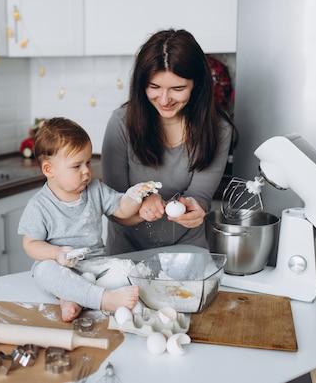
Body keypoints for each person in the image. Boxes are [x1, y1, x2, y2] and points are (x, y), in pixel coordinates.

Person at [101, 29, 237, 255]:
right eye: (154, 87)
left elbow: (201, 196)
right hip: (126, 253)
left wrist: (196, 210)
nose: (164, 100)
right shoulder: (121, 123)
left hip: (188, 252)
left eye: (177, 89)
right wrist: (138, 206)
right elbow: (113, 207)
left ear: (197, 85)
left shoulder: (218, 128)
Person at [18, 117, 161, 322]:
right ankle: (104, 298)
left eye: (87, 162)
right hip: (62, 267)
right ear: (49, 170)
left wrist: (134, 195)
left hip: (96, 265)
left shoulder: (95, 189)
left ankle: (73, 296)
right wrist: (56, 253)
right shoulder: (39, 206)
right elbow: (30, 244)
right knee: (43, 270)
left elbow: (121, 209)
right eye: (76, 166)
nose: (86, 171)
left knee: (127, 269)